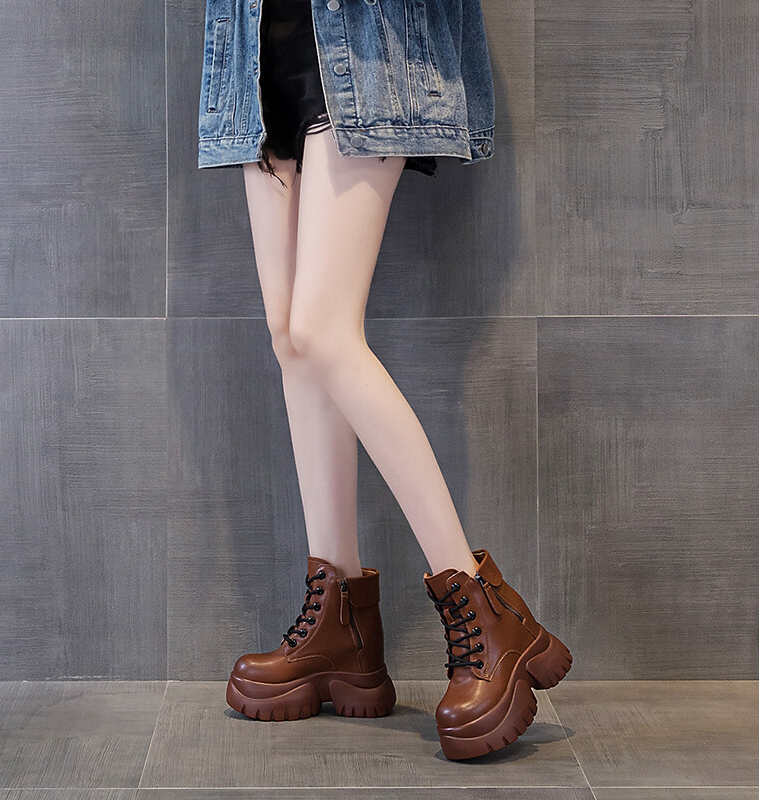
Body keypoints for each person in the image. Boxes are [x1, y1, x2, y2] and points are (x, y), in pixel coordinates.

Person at [199, 0, 572, 761]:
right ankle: (339, 626)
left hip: (364, 45)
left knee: (323, 331)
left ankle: (486, 610)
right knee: (293, 340)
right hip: (253, 46)